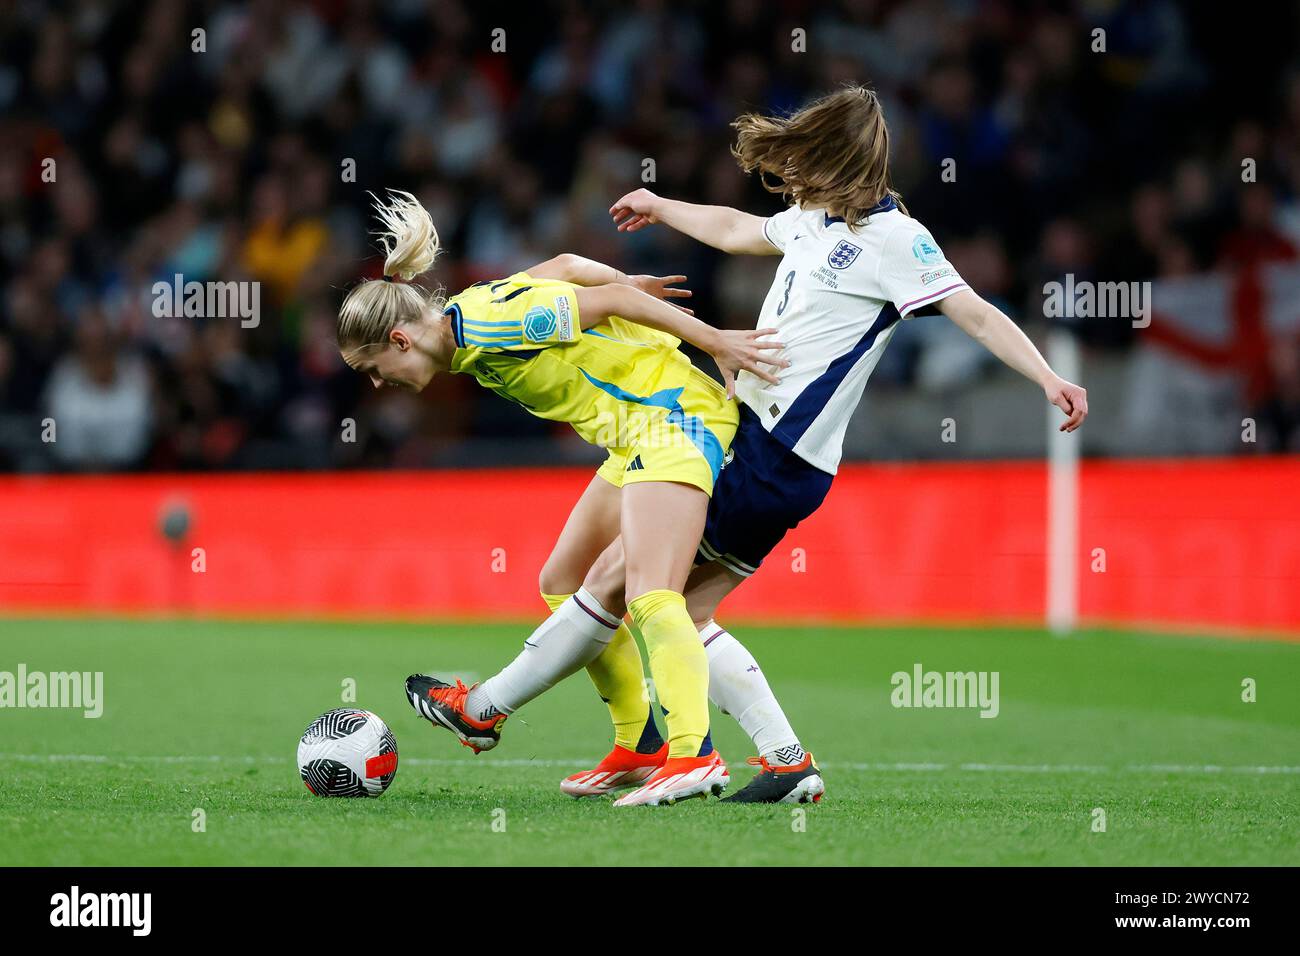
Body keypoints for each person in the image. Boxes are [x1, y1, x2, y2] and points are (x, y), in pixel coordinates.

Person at [555, 84, 1089, 803]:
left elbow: (974, 313)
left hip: (775, 455)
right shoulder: (811, 219)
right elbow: (739, 229)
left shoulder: (898, 241)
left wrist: (1047, 375)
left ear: (838, 160)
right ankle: (783, 764)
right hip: (757, 443)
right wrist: (660, 205)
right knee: (681, 607)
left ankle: (528, 715)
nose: (794, 176)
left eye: (807, 157)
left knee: (626, 585)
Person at [339, 190, 785, 806]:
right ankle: (640, 743)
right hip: (634, 434)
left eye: (372, 366)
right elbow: (571, 266)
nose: (376, 382)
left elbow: (601, 300)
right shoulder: (467, 324)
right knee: (563, 578)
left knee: (653, 594)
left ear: (398, 339)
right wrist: (625, 284)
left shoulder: (487, 324)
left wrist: (710, 339)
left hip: (673, 418)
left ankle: (693, 754)